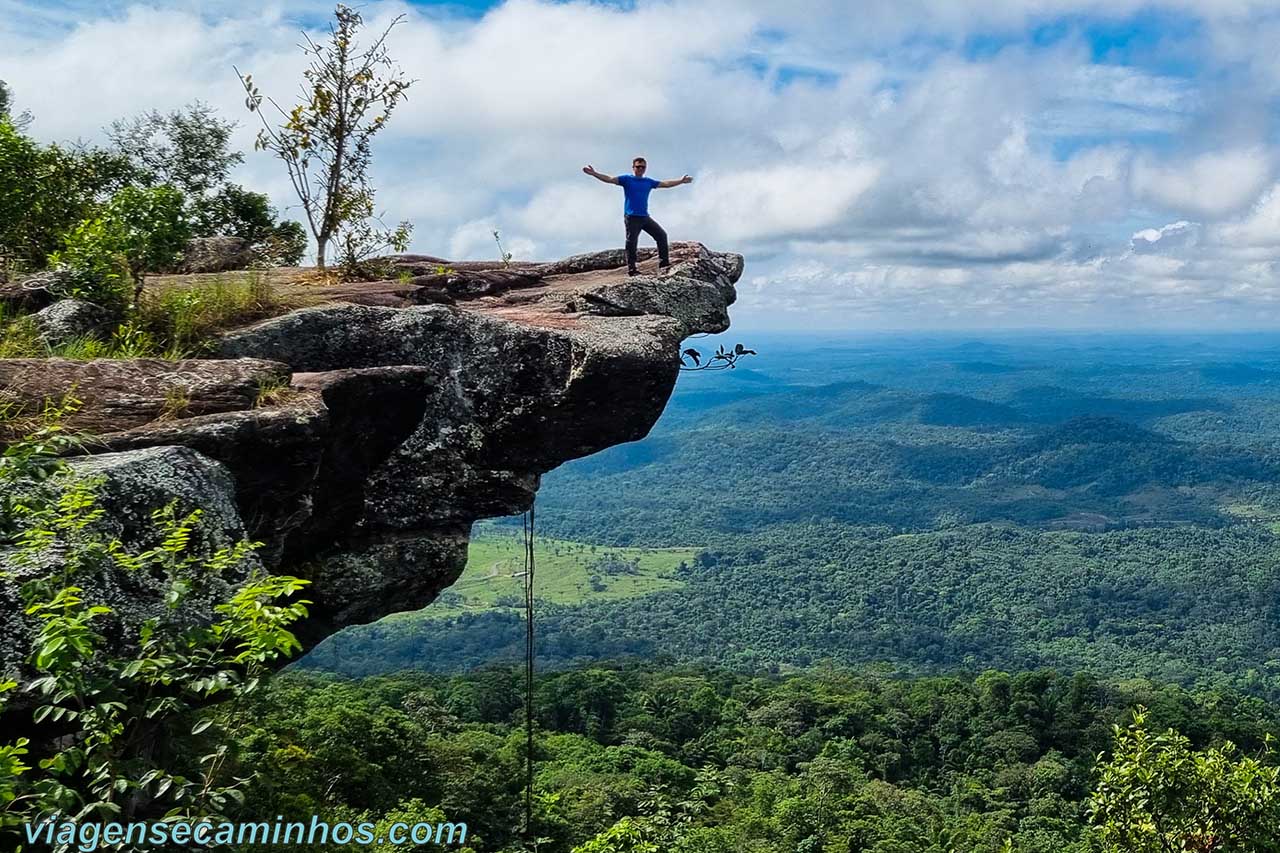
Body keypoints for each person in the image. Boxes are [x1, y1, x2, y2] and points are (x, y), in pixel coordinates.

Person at [582, 157, 692, 276]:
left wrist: (681, 181)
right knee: (632, 242)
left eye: (643, 167)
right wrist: (594, 173)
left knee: (661, 235)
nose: (640, 169)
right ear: (633, 168)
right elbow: (610, 179)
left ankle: (664, 264)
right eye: (638, 167)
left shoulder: (648, 182)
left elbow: (665, 184)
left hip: (644, 217)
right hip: (632, 217)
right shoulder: (627, 179)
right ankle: (632, 269)